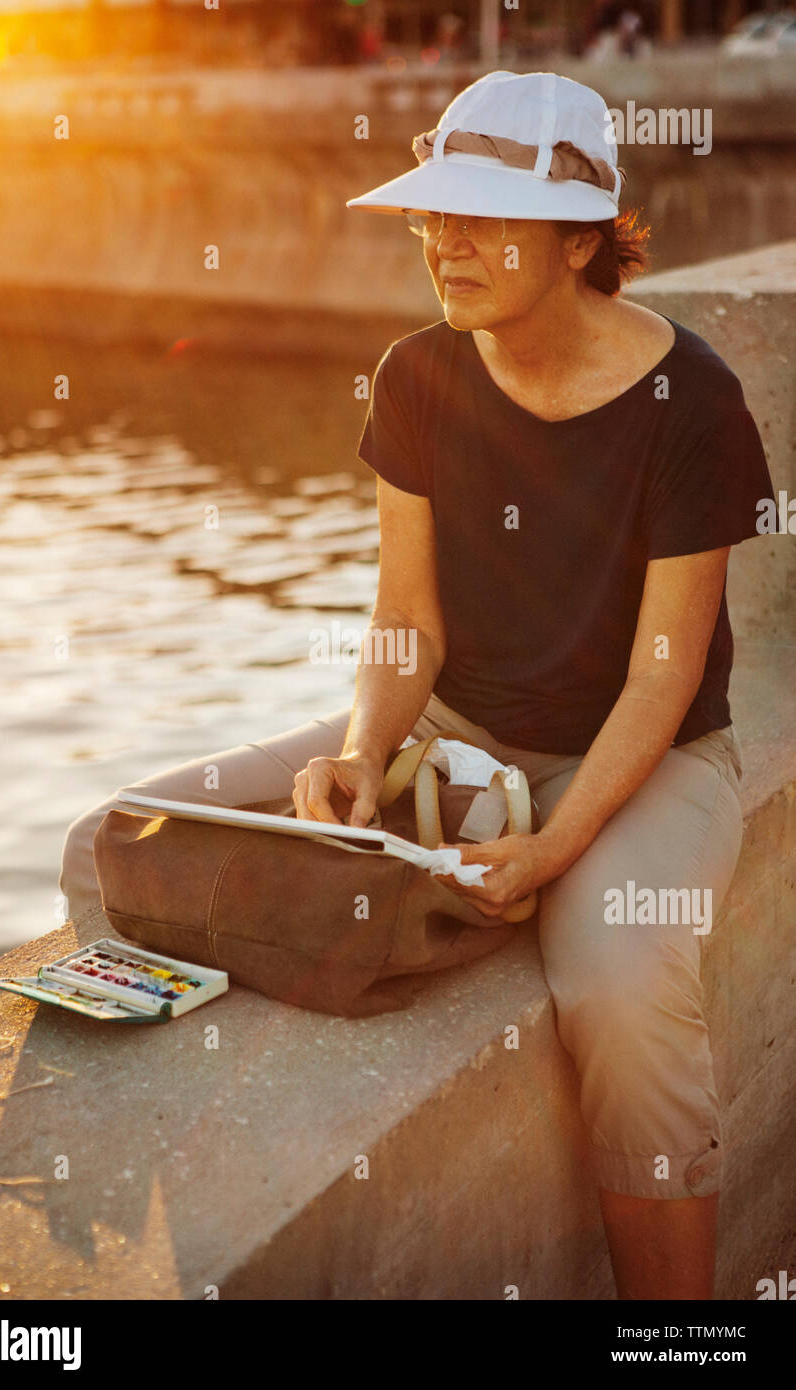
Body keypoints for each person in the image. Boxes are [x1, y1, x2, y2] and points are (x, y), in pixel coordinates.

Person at [60, 71, 774, 1300]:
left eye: (482, 214)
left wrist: (554, 852)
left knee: (613, 974)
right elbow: (404, 623)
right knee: (108, 844)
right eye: (432, 214)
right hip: (447, 731)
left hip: (644, 755)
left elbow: (661, 679)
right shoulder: (416, 376)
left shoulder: (689, 399)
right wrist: (356, 747)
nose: (443, 243)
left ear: (577, 232)